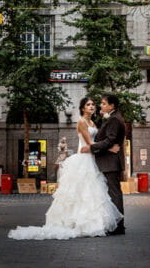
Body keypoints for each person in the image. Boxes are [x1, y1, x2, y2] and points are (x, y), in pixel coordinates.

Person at [8, 97, 122, 240]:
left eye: (93, 104)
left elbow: (96, 142)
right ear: (82, 108)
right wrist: (110, 148)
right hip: (85, 158)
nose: (92, 106)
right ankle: (79, 223)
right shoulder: (81, 122)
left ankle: (95, 223)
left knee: (91, 193)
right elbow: (89, 143)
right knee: (83, 192)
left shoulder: (92, 122)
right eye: (88, 104)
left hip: (92, 159)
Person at [82, 93, 126, 236]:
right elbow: (108, 139)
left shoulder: (114, 119)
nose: (100, 105)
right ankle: (115, 224)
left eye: (103, 103)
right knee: (112, 193)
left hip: (110, 162)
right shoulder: (112, 117)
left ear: (112, 105)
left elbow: (110, 139)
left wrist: (92, 147)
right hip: (108, 160)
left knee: (114, 194)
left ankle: (118, 226)